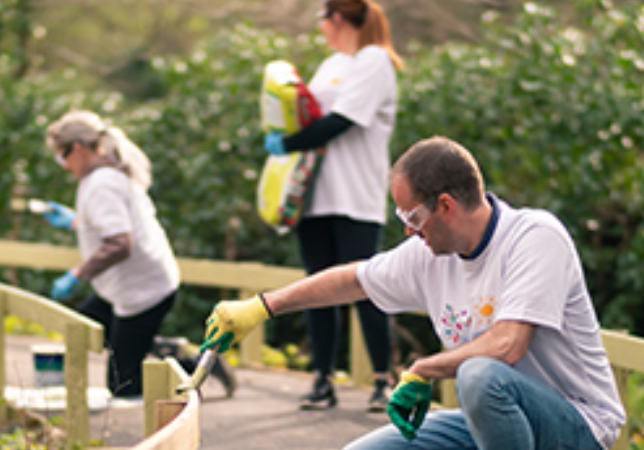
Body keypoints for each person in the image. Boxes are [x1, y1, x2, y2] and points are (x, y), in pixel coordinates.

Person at [203, 136, 626, 450]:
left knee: (479, 375)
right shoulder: (429, 253)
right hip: (496, 425)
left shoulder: (534, 237)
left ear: (445, 206)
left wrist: (424, 368)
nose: (407, 229)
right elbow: (354, 279)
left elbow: (508, 344)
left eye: (412, 216)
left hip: (578, 426)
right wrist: (262, 306)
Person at [263, 0, 403, 411]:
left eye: (323, 19)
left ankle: (383, 379)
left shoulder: (374, 61)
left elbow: (343, 121)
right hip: (315, 196)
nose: (322, 27)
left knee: (367, 288)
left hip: (355, 195)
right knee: (316, 289)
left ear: (337, 18)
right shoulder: (331, 65)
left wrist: (286, 144)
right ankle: (322, 379)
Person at [42, 110, 235, 398]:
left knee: (123, 384)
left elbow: (121, 242)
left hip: (143, 291)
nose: (64, 166)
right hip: (128, 286)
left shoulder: (101, 182)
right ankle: (162, 347)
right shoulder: (105, 175)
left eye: (62, 156)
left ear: (78, 149)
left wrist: (77, 274)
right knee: (85, 325)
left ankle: (194, 367)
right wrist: (75, 220)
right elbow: (111, 222)